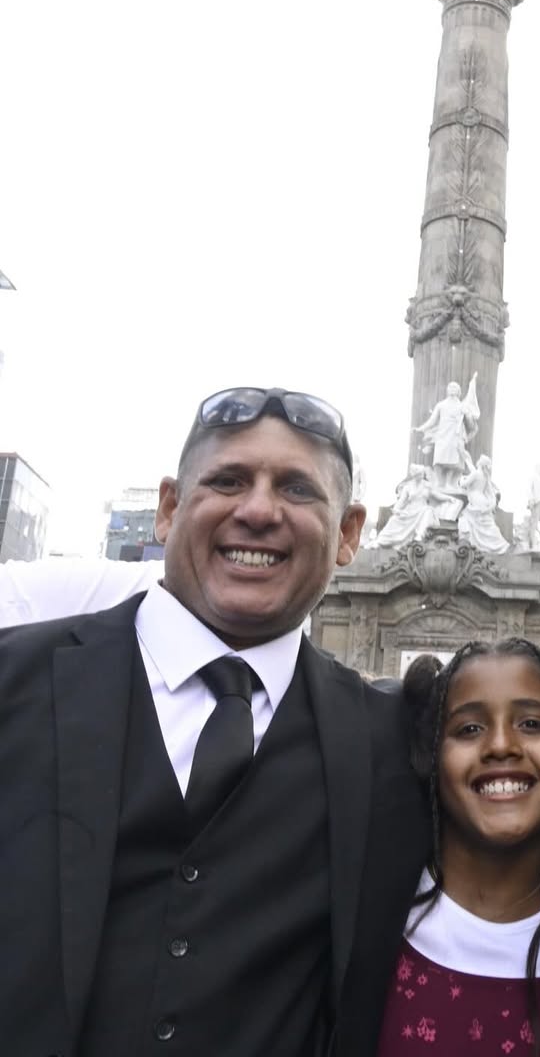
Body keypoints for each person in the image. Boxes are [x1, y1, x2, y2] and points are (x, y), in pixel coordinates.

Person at [0, 386, 428, 1057]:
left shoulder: (392, 743)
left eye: (297, 489)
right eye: (228, 480)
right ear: (169, 508)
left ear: (349, 533)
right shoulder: (13, 681)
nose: (258, 510)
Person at [377, 639, 540, 1056]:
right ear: (431, 755)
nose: (501, 745)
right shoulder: (369, 924)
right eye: (469, 729)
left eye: (531, 723)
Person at [414, 374, 480, 488]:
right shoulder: (441, 405)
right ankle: (440, 483)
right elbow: (432, 421)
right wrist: (420, 429)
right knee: (439, 460)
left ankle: (451, 484)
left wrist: (468, 416)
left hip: (456, 436)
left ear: (459, 391)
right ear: (447, 390)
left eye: (455, 387)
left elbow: (471, 424)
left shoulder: (462, 406)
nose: (452, 389)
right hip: (443, 435)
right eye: (450, 387)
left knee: (455, 462)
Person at [458, 454, 510, 554]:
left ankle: (477, 543)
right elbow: (472, 468)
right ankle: (497, 544)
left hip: (475, 499)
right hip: (482, 500)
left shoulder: (475, 474)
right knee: (484, 523)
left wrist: (461, 478)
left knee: (471, 519)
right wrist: (467, 459)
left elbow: (463, 484)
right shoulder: (484, 475)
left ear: (480, 463)